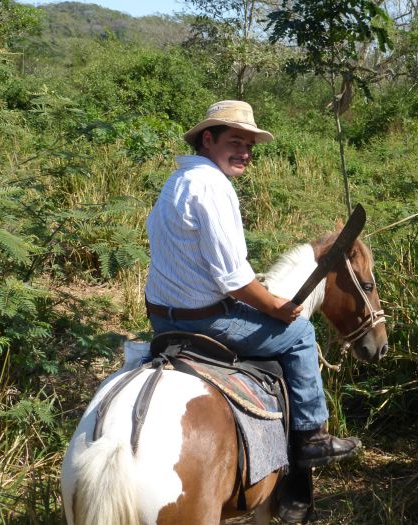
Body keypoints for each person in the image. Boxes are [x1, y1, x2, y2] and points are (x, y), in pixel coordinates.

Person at [144, 99, 361, 469]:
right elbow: (234, 280)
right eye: (235, 142)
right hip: (203, 319)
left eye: (249, 146)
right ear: (208, 139)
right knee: (301, 335)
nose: (244, 152)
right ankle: (313, 435)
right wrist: (275, 306)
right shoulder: (213, 187)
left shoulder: (178, 180)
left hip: (163, 319)